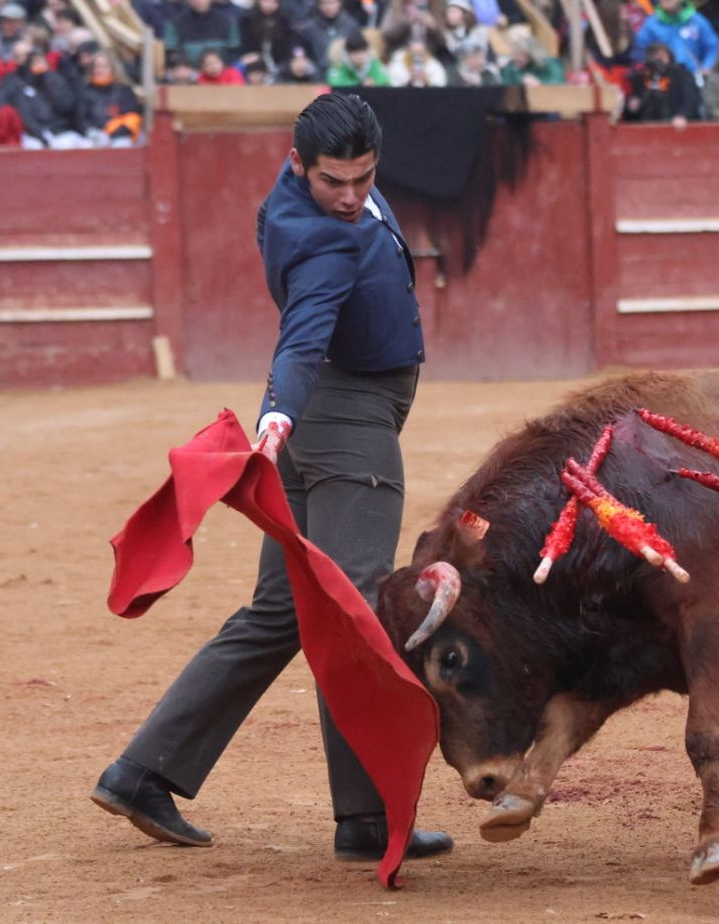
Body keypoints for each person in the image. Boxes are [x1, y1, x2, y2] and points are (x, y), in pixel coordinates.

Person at [91, 94, 451, 864]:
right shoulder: (321, 240)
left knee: (281, 611)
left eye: (363, 178)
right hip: (344, 423)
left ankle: (142, 770)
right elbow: (302, 334)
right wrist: (280, 411)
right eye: (333, 182)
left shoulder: (302, 192)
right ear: (298, 166)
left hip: (326, 415)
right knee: (354, 609)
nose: (351, 196)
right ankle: (369, 815)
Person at [623, 40, 701, 124]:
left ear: (669, 57)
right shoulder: (642, 77)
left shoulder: (681, 75)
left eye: (662, 55)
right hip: (646, 124)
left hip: (673, 122)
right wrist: (632, 106)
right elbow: (633, 106)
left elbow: (690, 99)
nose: (659, 58)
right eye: (655, 55)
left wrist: (682, 115)